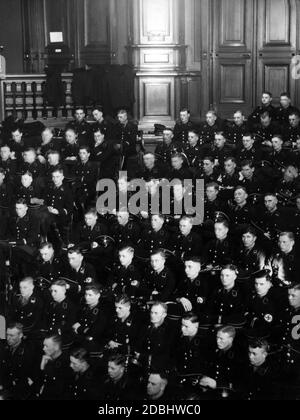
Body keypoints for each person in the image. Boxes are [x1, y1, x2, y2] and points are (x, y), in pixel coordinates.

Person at [0, 323, 37, 400]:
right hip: (5, 386)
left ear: (20, 336)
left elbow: (23, 378)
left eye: (12, 335)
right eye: (7, 335)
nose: (8, 338)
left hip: (19, 392)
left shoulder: (28, 352)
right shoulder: (4, 348)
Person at [37, 334, 73, 400]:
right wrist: (42, 367)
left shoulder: (66, 362)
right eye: (43, 345)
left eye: (46, 346)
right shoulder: (46, 358)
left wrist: (45, 368)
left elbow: (59, 388)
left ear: (56, 347)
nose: (43, 348)